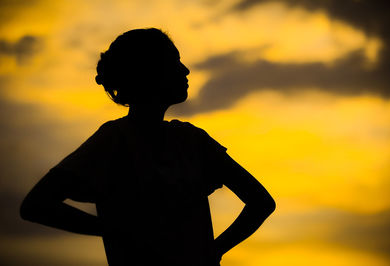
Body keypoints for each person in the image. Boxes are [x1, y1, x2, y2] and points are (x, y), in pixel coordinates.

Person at [20, 28, 275, 266]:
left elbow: (262, 202)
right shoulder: (117, 141)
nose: (185, 70)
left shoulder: (190, 141)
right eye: (175, 63)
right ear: (149, 72)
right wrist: (213, 250)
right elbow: (36, 205)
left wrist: (215, 250)